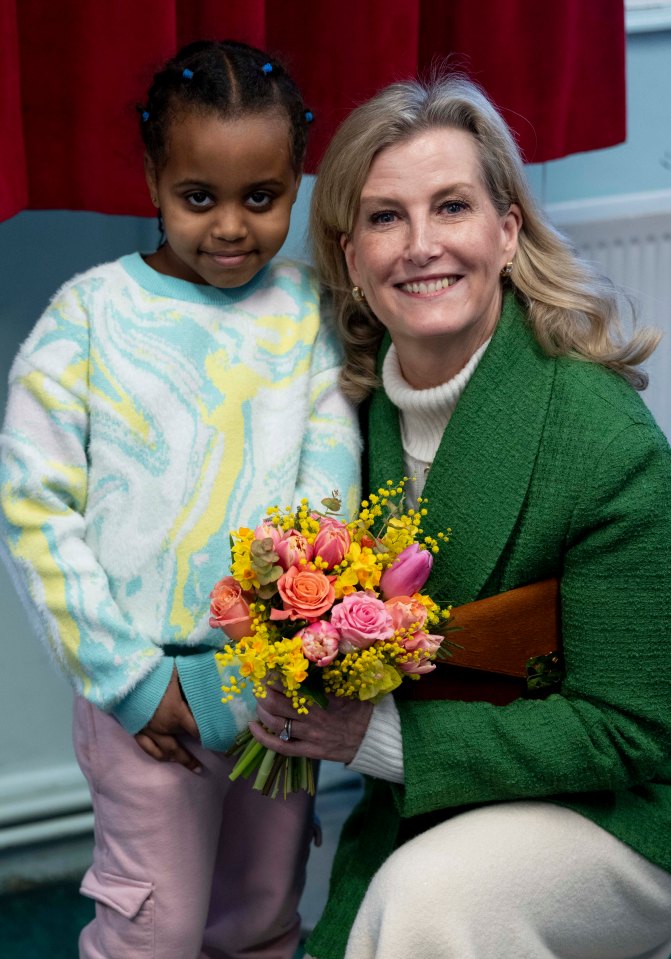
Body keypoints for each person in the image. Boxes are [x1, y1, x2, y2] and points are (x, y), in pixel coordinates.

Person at [249, 74, 671, 959]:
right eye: (384, 216)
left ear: (507, 231)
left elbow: (634, 727)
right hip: (449, 796)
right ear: (350, 252)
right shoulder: (341, 419)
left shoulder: (602, 438)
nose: (420, 245)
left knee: (427, 900)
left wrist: (380, 736)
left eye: (450, 207)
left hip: (626, 807)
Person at [0, 39, 359, 959]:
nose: (230, 227)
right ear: (155, 175)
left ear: (296, 180)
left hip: (273, 691)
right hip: (143, 704)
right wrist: (130, 680)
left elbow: (332, 488)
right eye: (199, 198)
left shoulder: (305, 314)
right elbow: (34, 510)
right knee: (151, 924)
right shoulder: (85, 317)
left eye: (262, 197)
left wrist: (285, 659)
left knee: (262, 912)